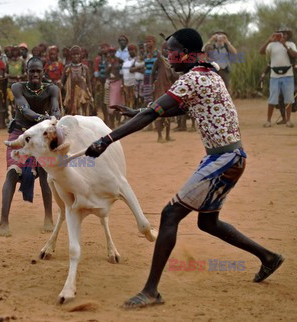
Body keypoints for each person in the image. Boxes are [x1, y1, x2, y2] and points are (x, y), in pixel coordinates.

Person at [85, 28, 284, 309]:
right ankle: (268, 257)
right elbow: (185, 108)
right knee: (208, 221)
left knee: (169, 215)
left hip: (223, 160)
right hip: (231, 157)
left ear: (187, 53)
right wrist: (138, 111)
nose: (168, 57)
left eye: (171, 51)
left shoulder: (193, 78)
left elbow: (154, 113)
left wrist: (107, 139)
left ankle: (151, 291)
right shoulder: (207, 73)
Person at [0, 56, 61, 236]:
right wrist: (45, 119)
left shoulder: (52, 89)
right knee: (12, 173)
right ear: (26, 72)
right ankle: (3, 221)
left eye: (38, 71)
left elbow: (56, 109)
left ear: (43, 72)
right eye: (31, 71)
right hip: (20, 134)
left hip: (41, 137)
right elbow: (24, 110)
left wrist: (54, 118)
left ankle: (48, 218)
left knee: (44, 174)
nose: (34, 74)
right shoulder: (17, 87)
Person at [259, 27, 297, 128]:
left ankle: (288, 120)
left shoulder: (291, 44)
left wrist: (284, 44)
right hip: (274, 76)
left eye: (285, 33)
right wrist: (268, 41)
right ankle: (268, 121)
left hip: (288, 75)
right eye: (280, 33)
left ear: (288, 35)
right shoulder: (271, 45)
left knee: (289, 98)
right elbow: (261, 52)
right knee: (272, 98)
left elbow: (295, 55)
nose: (283, 35)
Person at [151, 41, 179, 142]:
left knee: (169, 112)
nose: (166, 51)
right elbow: (152, 73)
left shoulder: (172, 62)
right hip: (160, 88)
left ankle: (167, 135)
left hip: (169, 89)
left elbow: (175, 76)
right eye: (164, 49)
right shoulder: (159, 60)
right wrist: (152, 85)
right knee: (158, 111)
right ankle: (159, 136)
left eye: (168, 49)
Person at [62, 45, 92, 116]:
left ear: (80, 55)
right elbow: (62, 82)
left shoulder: (85, 68)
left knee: (82, 115)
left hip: (82, 97)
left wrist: (90, 95)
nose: (75, 56)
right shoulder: (67, 68)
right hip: (70, 96)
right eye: (73, 54)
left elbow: (88, 83)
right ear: (70, 55)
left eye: (77, 54)